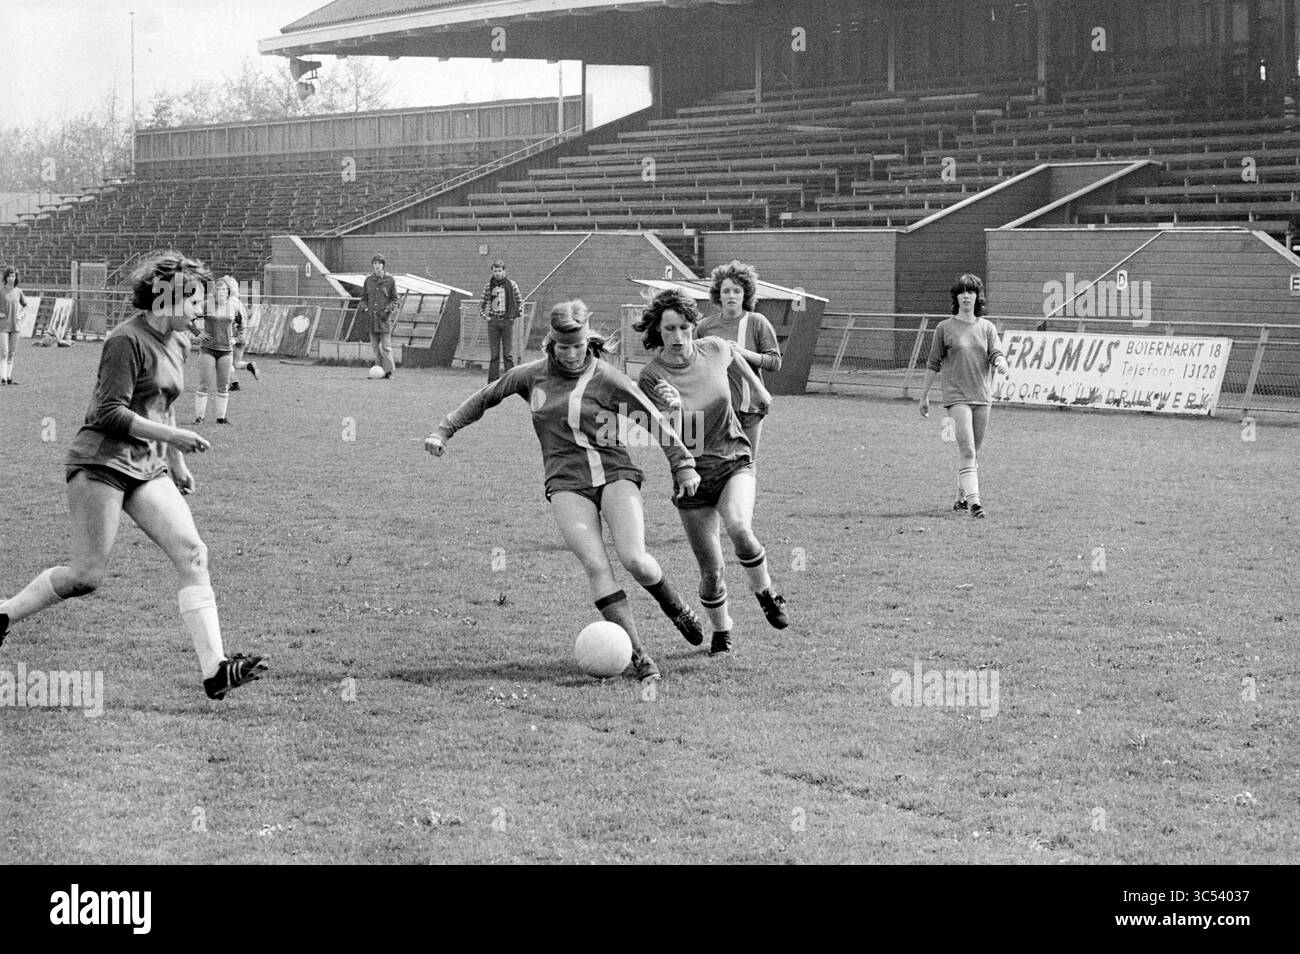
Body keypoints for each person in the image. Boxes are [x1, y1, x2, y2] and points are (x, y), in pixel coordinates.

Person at [0, 251, 267, 699]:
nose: (201, 309)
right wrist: (173, 438)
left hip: (147, 466)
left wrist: (176, 460)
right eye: (195, 300)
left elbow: (164, 403)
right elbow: (109, 413)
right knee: (86, 576)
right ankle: (4, 614)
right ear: (168, 297)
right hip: (100, 463)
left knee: (193, 553)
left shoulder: (180, 342)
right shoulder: (125, 340)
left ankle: (215, 669)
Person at [425, 299, 705, 683]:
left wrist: (683, 464)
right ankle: (639, 655)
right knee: (596, 566)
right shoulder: (531, 376)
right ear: (550, 345)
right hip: (565, 482)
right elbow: (485, 397)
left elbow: (653, 420)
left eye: (579, 347)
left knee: (635, 559)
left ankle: (674, 606)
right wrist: (444, 430)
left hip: (614, 472)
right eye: (564, 347)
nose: (572, 355)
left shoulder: (607, 377)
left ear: (588, 342)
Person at [635, 288, 788, 656]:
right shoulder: (651, 376)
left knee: (738, 526)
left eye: (685, 328)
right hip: (691, 477)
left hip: (734, 459)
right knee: (711, 571)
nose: (678, 337)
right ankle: (723, 631)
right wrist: (671, 410)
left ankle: (766, 592)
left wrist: (758, 392)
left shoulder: (715, 347)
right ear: (658, 330)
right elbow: (663, 433)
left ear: (693, 326)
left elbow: (734, 355)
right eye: (669, 329)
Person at [917, 273, 1009, 519]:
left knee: (974, 452)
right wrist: (923, 395)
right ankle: (975, 504)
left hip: (982, 396)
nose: (966, 296)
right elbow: (933, 363)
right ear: (956, 297)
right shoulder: (944, 328)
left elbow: (995, 352)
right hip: (957, 397)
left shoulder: (987, 328)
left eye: (971, 292)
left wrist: (1000, 362)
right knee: (967, 450)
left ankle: (961, 498)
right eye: (962, 292)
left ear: (978, 297)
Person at [697, 260, 782, 461]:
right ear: (718, 294)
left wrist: (743, 353)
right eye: (726, 291)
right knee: (720, 464)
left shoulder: (756, 322)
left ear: (746, 294)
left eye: (737, 290)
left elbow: (775, 362)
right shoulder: (704, 327)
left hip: (751, 407)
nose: (731, 296)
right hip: (719, 407)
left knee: (747, 463)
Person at [192, 275, 239, 424]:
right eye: (218, 289)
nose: (221, 292)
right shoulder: (206, 305)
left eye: (224, 289)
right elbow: (189, 319)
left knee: (223, 386)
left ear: (228, 292)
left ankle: (221, 418)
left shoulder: (233, 306)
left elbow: (241, 325)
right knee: (204, 384)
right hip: (208, 349)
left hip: (226, 350)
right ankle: (199, 417)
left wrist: (236, 338)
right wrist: (198, 334)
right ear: (214, 292)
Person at [478, 260, 523, 383]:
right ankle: (493, 382)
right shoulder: (488, 286)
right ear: (492, 272)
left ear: (504, 271)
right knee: (494, 354)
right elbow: (481, 305)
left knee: (507, 354)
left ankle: (511, 381)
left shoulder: (512, 285)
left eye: (499, 270)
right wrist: (486, 317)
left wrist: (513, 316)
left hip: (507, 321)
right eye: (495, 271)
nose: (497, 273)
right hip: (493, 322)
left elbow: (520, 302)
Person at [360, 255, 398, 379]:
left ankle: (389, 372)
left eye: (379, 263)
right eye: (374, 263)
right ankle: (378, 371)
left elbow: (395, 299)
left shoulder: (390, 280)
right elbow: (363, 298)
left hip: (384, 319)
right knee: (376, 348)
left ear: (383, 265)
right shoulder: (368, 280)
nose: (376, 265)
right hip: (372, 319)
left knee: (386, 347)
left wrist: (387, 309)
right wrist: (365, 307)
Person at [224, 276, 259, 391]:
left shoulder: (229, 303)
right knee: (236, 362)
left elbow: (231, 320)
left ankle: (234, 383)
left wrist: (233, 335)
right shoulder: (238, 302)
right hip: (242, 336)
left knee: (225, 360)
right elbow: (245, 317)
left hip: (233, 336)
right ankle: (250, 365)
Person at [1, 267, 28, 385]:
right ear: (6, 277)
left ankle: (8, 377)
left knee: (11, 353)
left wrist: (21, 314)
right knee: (4, 353)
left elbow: (25, 305)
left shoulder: (19, 291)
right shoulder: (1, 290)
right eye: (9, 276)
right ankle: (2, 378)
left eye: (13, 276)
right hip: (3, 326)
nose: (11, 278)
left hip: (15, 326)